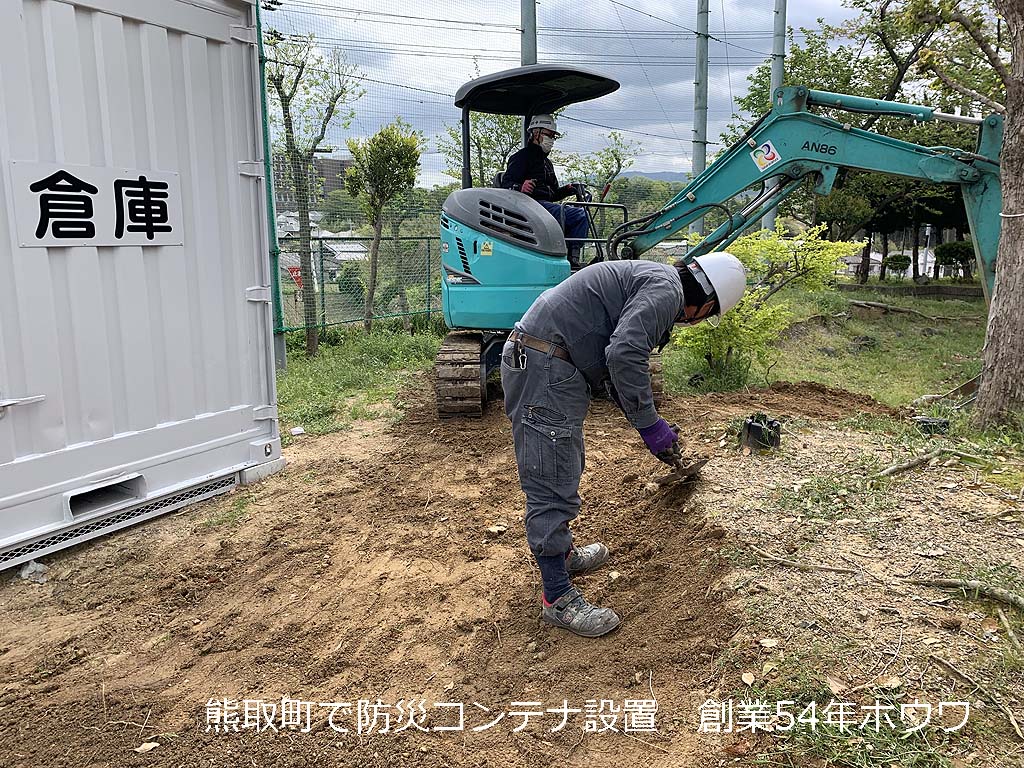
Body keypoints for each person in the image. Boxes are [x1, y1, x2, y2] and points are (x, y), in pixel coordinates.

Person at [500, 253, 747, 638]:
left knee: (565, 460)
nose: (696, 321)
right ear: (707, 302)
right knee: (551, 476)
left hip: (552, 361)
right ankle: (557, 597)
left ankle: (561, 556)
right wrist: (650, 425)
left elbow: (613, 360)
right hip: (544, 364)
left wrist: (648, 425)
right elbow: (624, 353)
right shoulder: (667, 291)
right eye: (706, 314)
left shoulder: (657, 279)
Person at [501, 114, 590, 266]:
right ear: (536, 133)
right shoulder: (521, 157)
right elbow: (505, 184)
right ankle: (571, 258)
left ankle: (569, 254)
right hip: (528, 207)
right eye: (549, 135)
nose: (552, 140)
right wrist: (520, 187)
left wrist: (569, 189)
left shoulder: (547, 163)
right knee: (579, 215)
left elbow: (553, 194)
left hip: (545, 207)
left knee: (581, 211)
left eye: (553, 137)